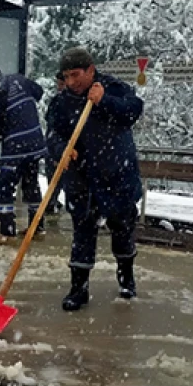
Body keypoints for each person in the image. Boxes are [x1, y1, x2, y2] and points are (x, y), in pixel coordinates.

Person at [46, 47, 144, 310]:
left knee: (122, 229)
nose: (71, 82)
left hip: (116, 176)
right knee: (83, 232)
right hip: (82, 178)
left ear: (90, 70)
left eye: (76, 75)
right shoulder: (62, 102)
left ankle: (126, 277)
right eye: (66, 76)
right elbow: (53, 134)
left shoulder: (114, 88)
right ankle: (78, 289)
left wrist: (104, 102)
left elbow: (133, 111)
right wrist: (61, 149)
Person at [0, 61, 48, 244]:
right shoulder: (17, 79)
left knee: (4, 187)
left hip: (16, 146)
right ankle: (37, 228)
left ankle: (7, 232)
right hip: (35, 140)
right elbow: (39, 92)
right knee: (31, 183)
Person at [44, 71, 68, 216]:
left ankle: (52, 201)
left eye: (62, 84)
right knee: (53, 179)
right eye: (58, 84)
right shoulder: (56, 101)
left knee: (63, 179)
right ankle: (51, 201)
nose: (60, 87)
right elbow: (51, 124)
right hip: (54, 145)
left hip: (65, 148)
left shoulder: (72, 102)